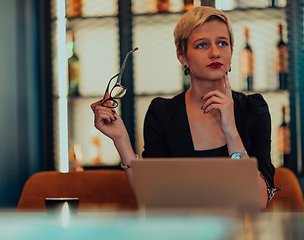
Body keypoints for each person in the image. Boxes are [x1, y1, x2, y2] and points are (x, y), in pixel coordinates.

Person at [91, 6, 278, 211]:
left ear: (231, 52)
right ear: (183, 57)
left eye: (222, 43)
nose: (215, 52)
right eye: (202, 45)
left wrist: (231, 132)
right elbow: (152, 200)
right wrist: (122, 140)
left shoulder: (254, 109)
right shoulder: (161, 113)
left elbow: (259, 202)